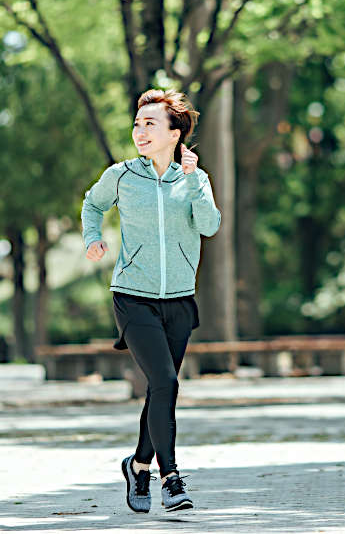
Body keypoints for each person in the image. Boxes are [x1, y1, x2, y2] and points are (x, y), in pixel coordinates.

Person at [82, 88, 221, 513]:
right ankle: (171, 478)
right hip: (132, 296)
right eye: (137, 124)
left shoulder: (194, 178)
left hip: (179, 300)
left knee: (161, 387)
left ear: (175, 133)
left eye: (150, 124)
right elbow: (93, 205)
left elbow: (210, 225)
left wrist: (194, 181)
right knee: (166, 382)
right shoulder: (122, 175)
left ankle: (139, 464)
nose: (140, 131)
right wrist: (92, 238)